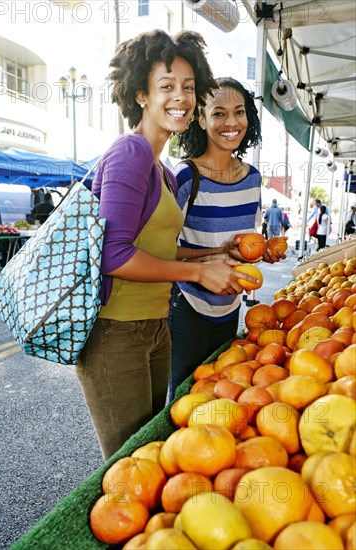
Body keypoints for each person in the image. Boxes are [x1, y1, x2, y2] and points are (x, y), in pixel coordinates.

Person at [75, 31, 257, 460]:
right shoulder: (130, 153)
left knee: (156, 451)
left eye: (189, 87)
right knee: (129, 466)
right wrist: (198, 273)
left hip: (156, 329)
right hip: (115, 332)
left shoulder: (162, 170)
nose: (181, 97)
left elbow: (161, 250)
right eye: (167, 86)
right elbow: (113, 254)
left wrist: (215, 256)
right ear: (141, 93)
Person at [167, 77, 284, 403]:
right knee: (183, 397)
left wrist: (263, 251)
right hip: (187, 305)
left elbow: (243, 245)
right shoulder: (186, 176)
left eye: (239, 112)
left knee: (219, 389)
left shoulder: (253, 179)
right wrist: (217, 253)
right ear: (201, 119)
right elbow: (162, 250)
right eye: (219, 113)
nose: (231, 122)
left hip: (230, 307)